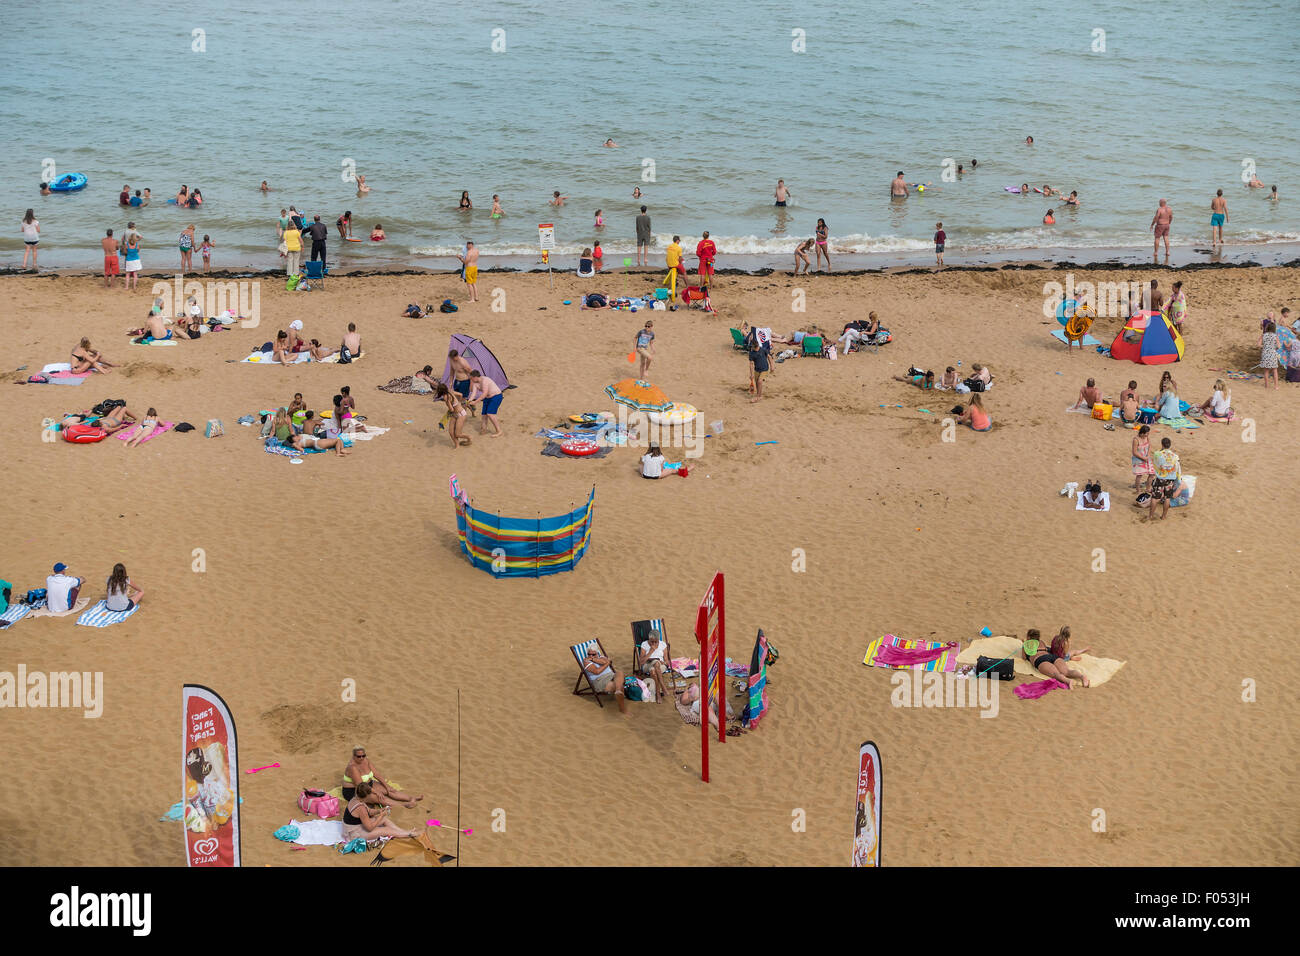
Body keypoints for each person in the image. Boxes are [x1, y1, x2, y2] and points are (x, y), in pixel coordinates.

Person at [342, 746, 422, 807]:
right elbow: (361, 786)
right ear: (353, 756)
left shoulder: (366, 760)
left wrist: (386, 786)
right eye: (359, 756)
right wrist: (376, 791)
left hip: (368, 784)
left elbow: (376, 773)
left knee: (390, 790)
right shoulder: (352, 767)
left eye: (363, 755)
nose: (362, 758)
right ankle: (403, 805)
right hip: (356, 790)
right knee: (378, 797)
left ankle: (411, 798)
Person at [342, 783, 421, 843]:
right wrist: (381, 815)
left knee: (384, 819)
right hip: (354, 833)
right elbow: (369, 828)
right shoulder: (360, 808)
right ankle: (409, 834)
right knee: (387, 830)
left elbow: (369, 811)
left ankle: (404, 832)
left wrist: (380, 810)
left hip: (355, 825)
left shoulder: (356, 798)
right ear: (366, 796)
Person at [1023, 628, 1090, 687]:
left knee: (1056, 674)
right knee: (1067, 671)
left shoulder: (1025, 645)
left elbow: (1024, 658)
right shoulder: (1041, 642)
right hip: (1052, 656)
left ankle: (1068, 681)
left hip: (1040, 660)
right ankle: (1082, 677)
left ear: (1028, 637)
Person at [581, 645, 627, 713]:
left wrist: (594, 660)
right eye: (589, 654)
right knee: (619, 685)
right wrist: (607, 663)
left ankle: (618, 691)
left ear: (597, 653)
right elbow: (597, 671)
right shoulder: (586, 661)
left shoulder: (601, 657)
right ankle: (622, 708)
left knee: (620, 673)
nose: (591, 656)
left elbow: (604, 661)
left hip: (611, 675)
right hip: (600, 680)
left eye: (593, 654)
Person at [1148, 436, 1181, 519]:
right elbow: (1177, 466)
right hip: (1170, 479)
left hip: (1160, 478)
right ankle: (1164, 516)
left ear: (1162, 444)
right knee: (1167, 498)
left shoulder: (1157, 454)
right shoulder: (1175, 456)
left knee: (1155, 497)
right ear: (1170, 445)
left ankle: (1151, 515)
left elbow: (1156, 464)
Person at [637, 628, 671, 699]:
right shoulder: (644, 644)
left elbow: (667, 661)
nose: (654, 644)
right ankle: (663, 686)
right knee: (655, 662)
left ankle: (657, 693)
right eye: (652, 641)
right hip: (647, 665)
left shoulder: (663, 644)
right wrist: (650, 651)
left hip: (660, 666)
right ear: (649, 639)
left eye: (656, 642)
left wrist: (663, 662)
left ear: (659, 640)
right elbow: (641, 662)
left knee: (653, 669)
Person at [466, 370, 503, 436]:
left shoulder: (485, 380)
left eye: (471, 378)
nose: (470, 379)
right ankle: (484, 429)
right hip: (487, 398)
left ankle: (499, 431)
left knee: (490, 414)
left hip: (496, 396)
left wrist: (476, 402)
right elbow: (473, 393)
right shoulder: (475, 383)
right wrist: (469, 401)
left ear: (475, 377)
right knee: (484, 415)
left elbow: (485, 393)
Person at [434, 382, 470, 447]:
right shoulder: (450, 391)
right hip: (455, 414)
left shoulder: (446, 397)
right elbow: (461, 394)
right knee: (451, 432)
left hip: (460, 414)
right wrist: (458, 402)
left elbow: (451, 409)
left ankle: (469, 438)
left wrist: (454, 406)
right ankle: (457, 445)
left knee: (457, 434)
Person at [747, 327, 770, 402]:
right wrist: (751, 374)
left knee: (760, 381)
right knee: (757, 382)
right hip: (757, 369)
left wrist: (772, 366)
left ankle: (759, 396)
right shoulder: (751, 353)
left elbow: (769, 357)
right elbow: (751, 364)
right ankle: (758, 393)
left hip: (765, 368)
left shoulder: (763, 350)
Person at [1130, 425, 1154, 492]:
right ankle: (1138, 490)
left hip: (1146, 457)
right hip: (1138, 458)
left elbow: (1149, 446)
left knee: (1152, 474)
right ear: (1142, 433)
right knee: (1139, 475)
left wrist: (1148, 455)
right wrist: (1143, 458)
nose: (1148, 435)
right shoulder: (1136, 440)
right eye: (1147, 433)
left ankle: (1148, 489)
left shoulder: (1147, 437)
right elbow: (1134, 452)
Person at [1259, 320, 1280, 389]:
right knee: (1275, 370)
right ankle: (1276, 386)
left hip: (1265, 353)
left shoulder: (1263, 335)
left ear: (1267, 328)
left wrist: (1265, 346)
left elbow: (1258, 345)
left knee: (1266, 371)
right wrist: (1274, 347)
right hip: (1273, 353)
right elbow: (1278, 346)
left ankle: (1266, 386)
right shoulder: (1275, 336)